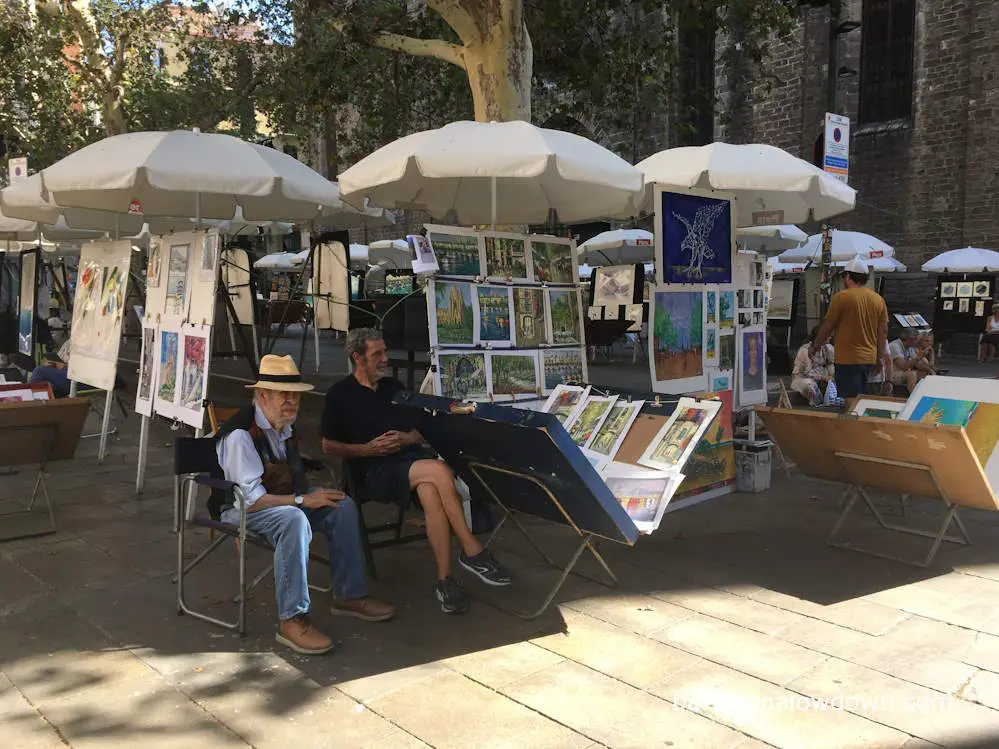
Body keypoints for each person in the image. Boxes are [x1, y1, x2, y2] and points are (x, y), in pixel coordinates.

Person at [321, 328, 512, 615]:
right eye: (378, 354)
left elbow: (420, 429)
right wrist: (367, 449)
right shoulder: (340, 394)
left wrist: (408, 438)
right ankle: (472, 549)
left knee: (431, 490)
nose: (385, 359)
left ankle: (445, 581)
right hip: (372, 471)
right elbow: (328, 446)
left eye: (385, 352)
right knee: (436, 471)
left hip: (410, 464)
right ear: (357, 358)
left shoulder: (391, 388)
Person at [216, 354, 395, 655]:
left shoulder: (282, 425)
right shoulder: (240, 436)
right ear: (262, 395)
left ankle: (349, 595)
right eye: (283, 394)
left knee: (343, 505)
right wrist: (302, 499)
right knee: (293, 519)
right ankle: (291, 618)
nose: (291, 401)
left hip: (279, 498)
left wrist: (309, 492)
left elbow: (288, 477)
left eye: (295, 395)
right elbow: (252, 501)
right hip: (242, 510)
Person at [809, 256, 890, 400]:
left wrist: (815, 346)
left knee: (850, 401)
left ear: (847, 276)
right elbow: (882, 331)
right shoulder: (878, 299)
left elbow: (828, 327)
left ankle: (852, 422)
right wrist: (879, 357)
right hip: (869, 358)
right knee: (862, 399)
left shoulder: (842, 297)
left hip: (848, 359)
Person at [791, 326, 837, 406]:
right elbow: (801, 373)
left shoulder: (827, 349)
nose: (830, 337)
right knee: (809, 385)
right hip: (805, 378)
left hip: (823, 378)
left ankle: (828, 399)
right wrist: (821, 377)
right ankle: (816, 401)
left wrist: (831, 375)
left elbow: (831, 364)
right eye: (828, 335)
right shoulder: (805, 351)